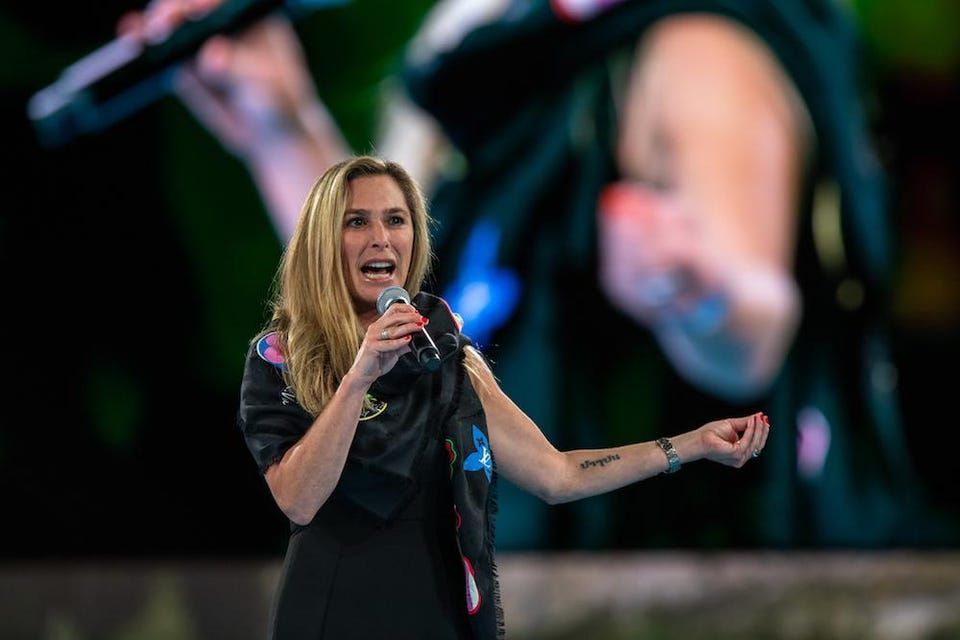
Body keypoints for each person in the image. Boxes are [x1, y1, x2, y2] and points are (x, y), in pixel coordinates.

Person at [125, 0, 942, 547]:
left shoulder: (699, 52)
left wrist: (688, 285)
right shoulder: (505, 46)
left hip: (691, 586)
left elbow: (754, 325)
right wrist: (280, 124)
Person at [237, 155, 769, 638]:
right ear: (324, 242)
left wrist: (690, 445)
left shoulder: (450, 360)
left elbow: (558, 475)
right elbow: (298, 499)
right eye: (357, 222)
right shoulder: (282, 358)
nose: (381, 238)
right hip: (333, 613)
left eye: (395, 220)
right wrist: (359, 376)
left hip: (438, 615)